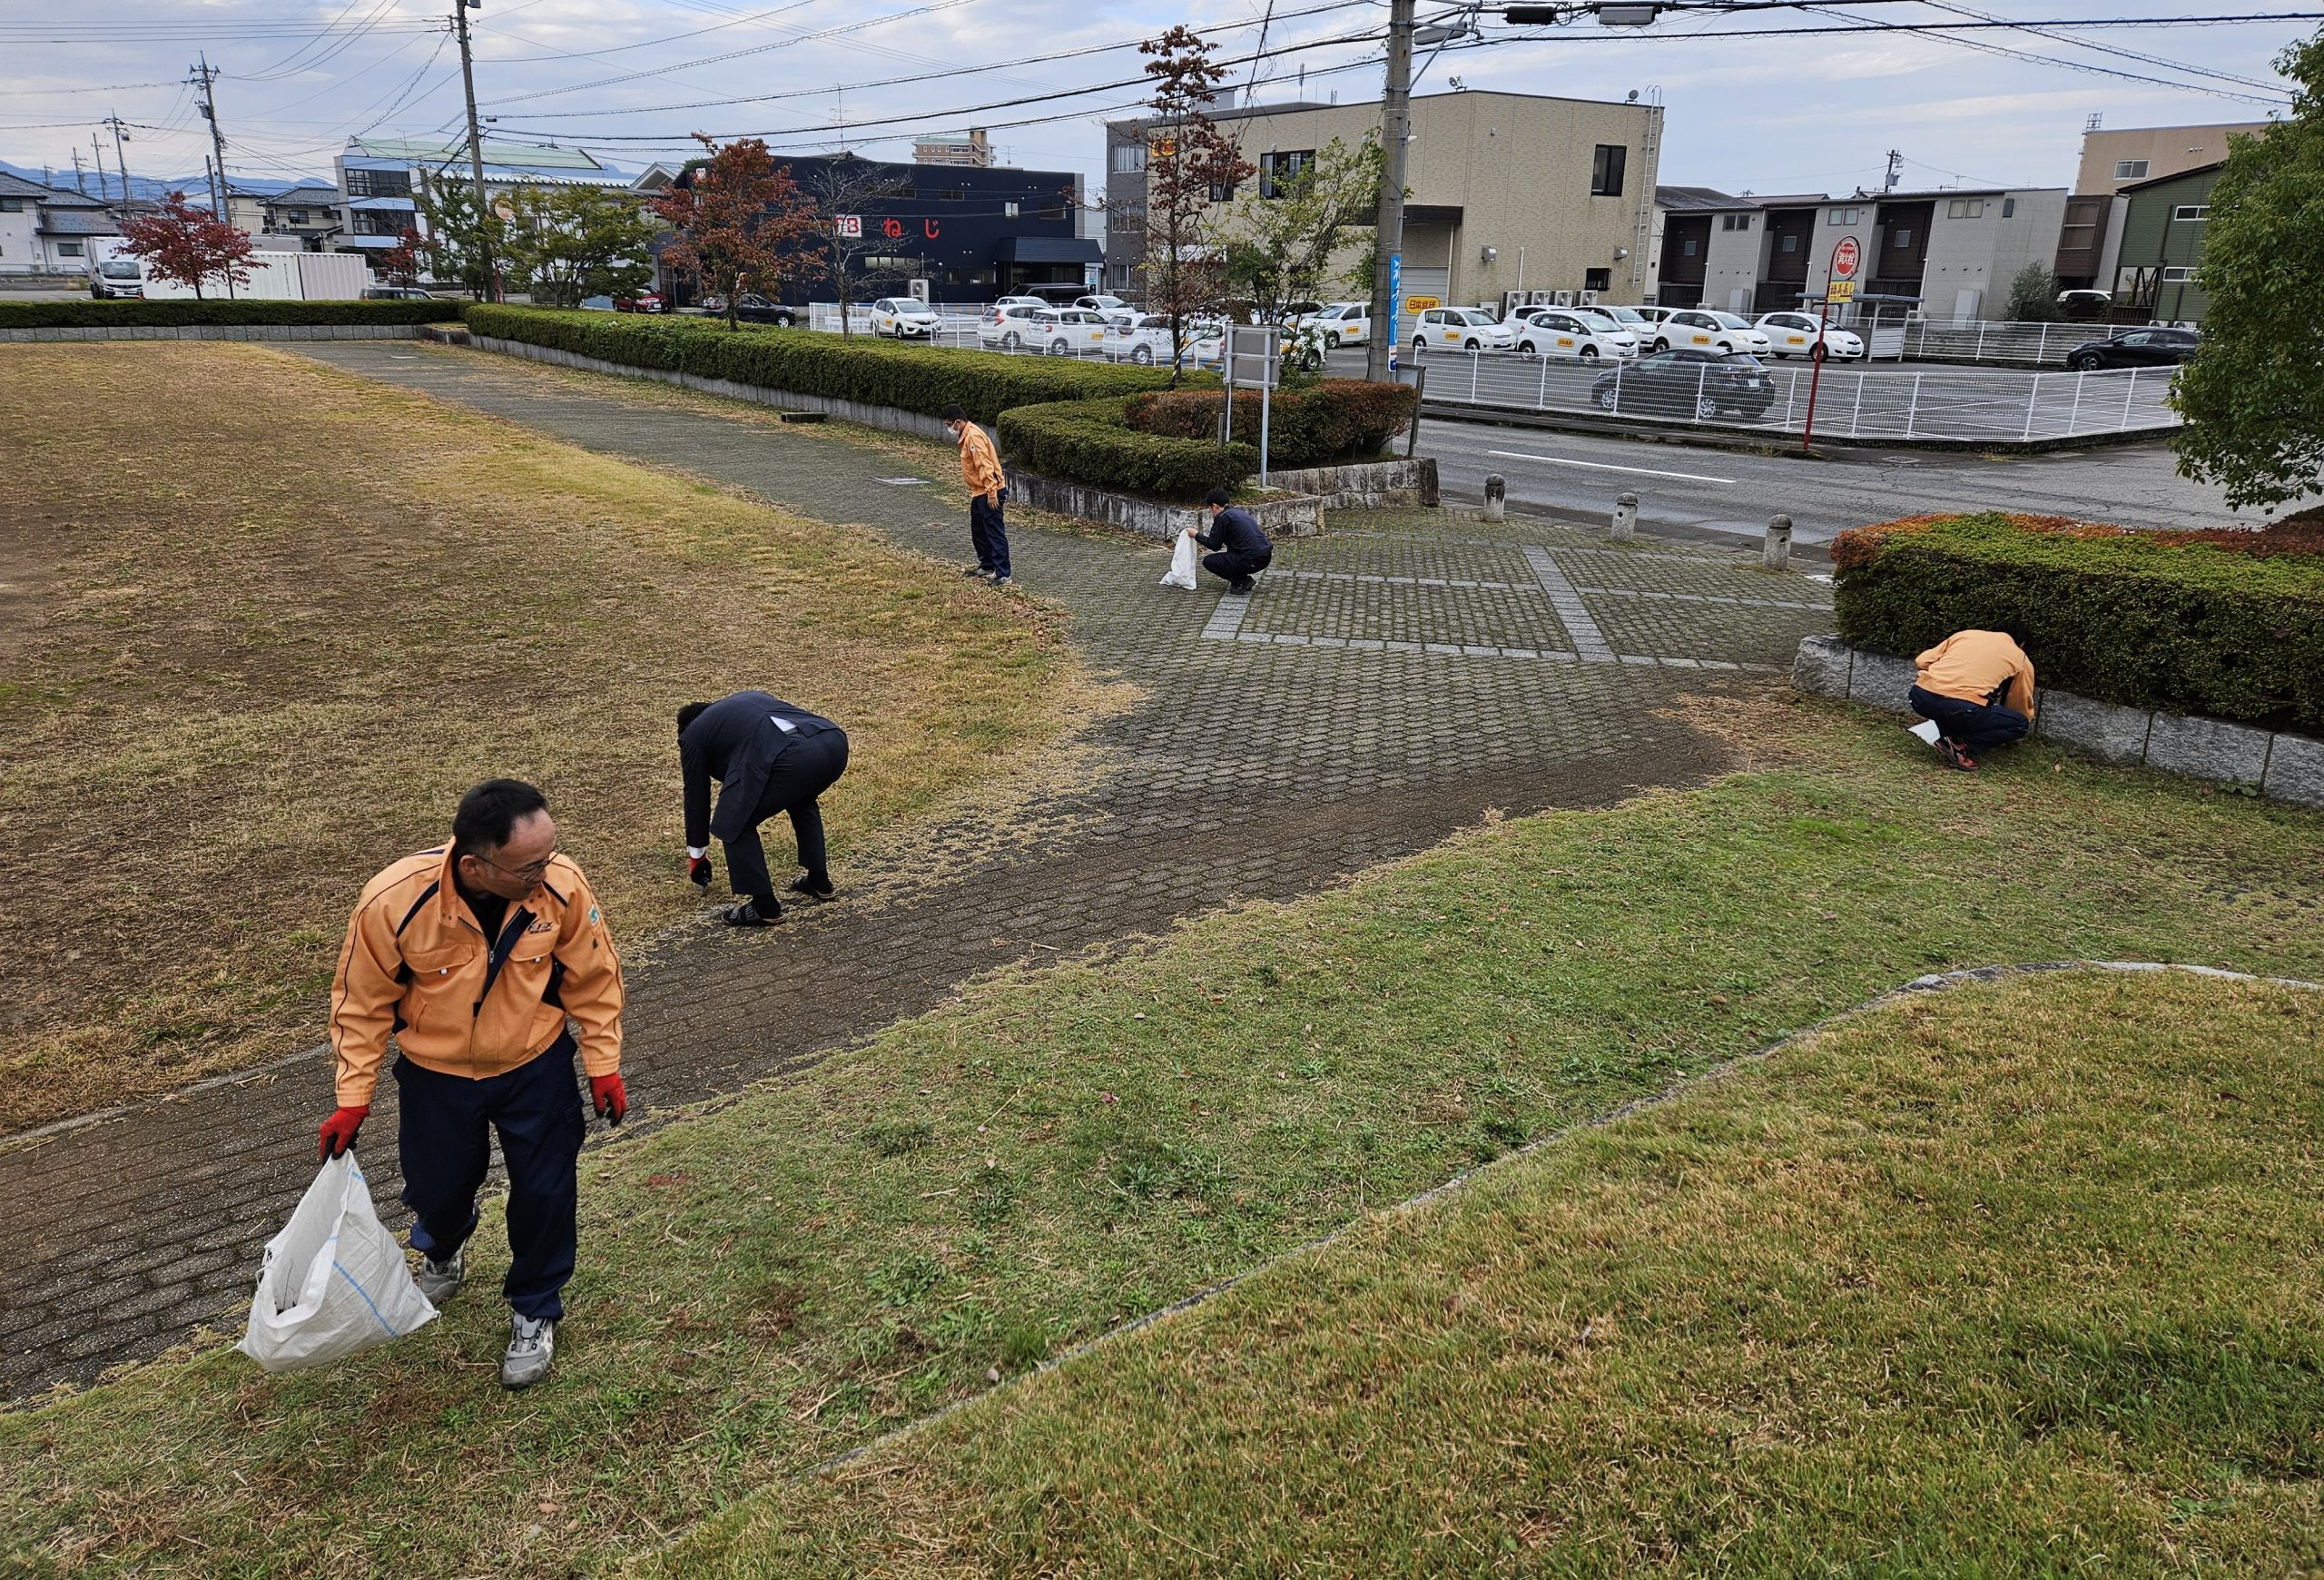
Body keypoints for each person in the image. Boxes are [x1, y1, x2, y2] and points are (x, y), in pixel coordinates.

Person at [316, 778, 625, 1390]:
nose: (548, 870)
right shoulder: (392, 902)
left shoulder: (560, 887)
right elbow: (361, 1005)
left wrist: (602, 1063)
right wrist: (353, 1098)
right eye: (529, 865)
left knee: (545, 1192)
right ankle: (443, 1243)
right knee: (439, 1188)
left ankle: (535, 1309)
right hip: (438, 1078)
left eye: (550, 853)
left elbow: (594, 978)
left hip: (534, 1067)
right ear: (473, 864)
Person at [678, 691, 851, 927]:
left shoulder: (692, 735)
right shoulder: (745, 701)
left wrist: (696, 855)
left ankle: (764, 907)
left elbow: (696, 795)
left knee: (735, 823)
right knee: (802, 800)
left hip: (792, 757)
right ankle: (819, 882)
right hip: (832, 741)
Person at [1909, 625, 2036, 772]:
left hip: (1920, 697)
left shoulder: (1966, 635)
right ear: (2022, 644)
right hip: (1962, 708)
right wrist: (2010, 725)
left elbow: (1922, 661)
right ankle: (1958, 743)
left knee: (1951, 708)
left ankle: (1949, 737)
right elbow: (2019, 700)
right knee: (2019, 724)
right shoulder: (2020, 657)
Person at [942, 403, 1010, 586]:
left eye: (950, 425)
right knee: (979, 531)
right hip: (979, 492)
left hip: (989, 491)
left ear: (958, 422)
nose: (949, 429)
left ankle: (1003, 573)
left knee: (994, 532)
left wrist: (991, 492)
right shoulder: (967, 436)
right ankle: (987, 565)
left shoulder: (973, 437)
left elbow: (984, 465)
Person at [1185, 487, 1273, 594]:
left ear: (1214, 506)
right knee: (1231, 552)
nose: (1211, 513)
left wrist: (1196, 535)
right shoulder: (1238, 512)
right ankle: (1242, 579)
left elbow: (1214, 545)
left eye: (1210, 509)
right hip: (1265, 556)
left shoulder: (1222, 518)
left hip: (1251, 559)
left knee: (1209, 561)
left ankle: (1241, 581)